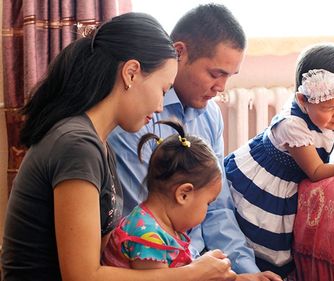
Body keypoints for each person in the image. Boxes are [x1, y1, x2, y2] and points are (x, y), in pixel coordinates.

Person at [1, 12, 235, 281]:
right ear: (131, 73)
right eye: (162, 89)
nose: (160, 106)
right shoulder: (77, 145)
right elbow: (82, 276)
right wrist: (192, 274)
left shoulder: (97, 144)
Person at [108, 4, 281, 281]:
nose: (222, 87)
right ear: (179, 52)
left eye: (229, 76)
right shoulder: (136, 118)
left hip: (201, 266)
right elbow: (143, 219)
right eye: (215, 74)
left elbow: (218, 208)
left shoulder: (210, 116)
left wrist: (245, 273)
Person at [224, 43, 334, 277]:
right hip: (267, 181)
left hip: (293, 176)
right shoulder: (293, 125)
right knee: (263, 243)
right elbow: (316, 171)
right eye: (330, 108)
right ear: (302, 100)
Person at [102, 120, 224, 270]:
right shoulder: (148, 236)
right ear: (183, 194)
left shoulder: (164, 226)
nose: (207, 210)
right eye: (208, 203)